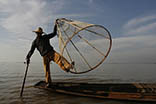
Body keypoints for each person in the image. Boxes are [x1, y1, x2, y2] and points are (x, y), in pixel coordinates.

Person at [26, 20, 74, 87]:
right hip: (45, 56)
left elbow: (54, 33)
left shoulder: (45, 37)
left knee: (60, 59)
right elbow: (31, 51)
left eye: (40, 33)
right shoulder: (35, 42)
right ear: (36, 33)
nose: (39, 34)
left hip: (52, 53)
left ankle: (68, 67)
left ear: (41, 33)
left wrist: (55, 25)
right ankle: (49, 83)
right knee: (47, 70)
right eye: (38, 33)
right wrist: (28, 57)